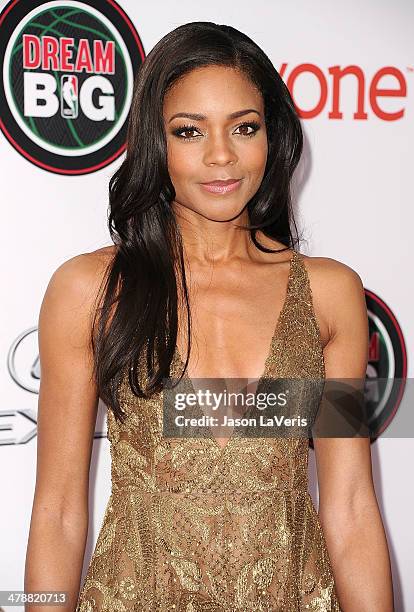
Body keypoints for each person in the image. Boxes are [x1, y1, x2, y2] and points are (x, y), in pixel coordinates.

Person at [25, 22, 394, 612]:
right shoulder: (90, 290)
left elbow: (349, 505)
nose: (221, 156)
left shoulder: (330, 294)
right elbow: (58, 512)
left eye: (243, 127)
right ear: (155, 142)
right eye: (189, 131)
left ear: (271, 136)